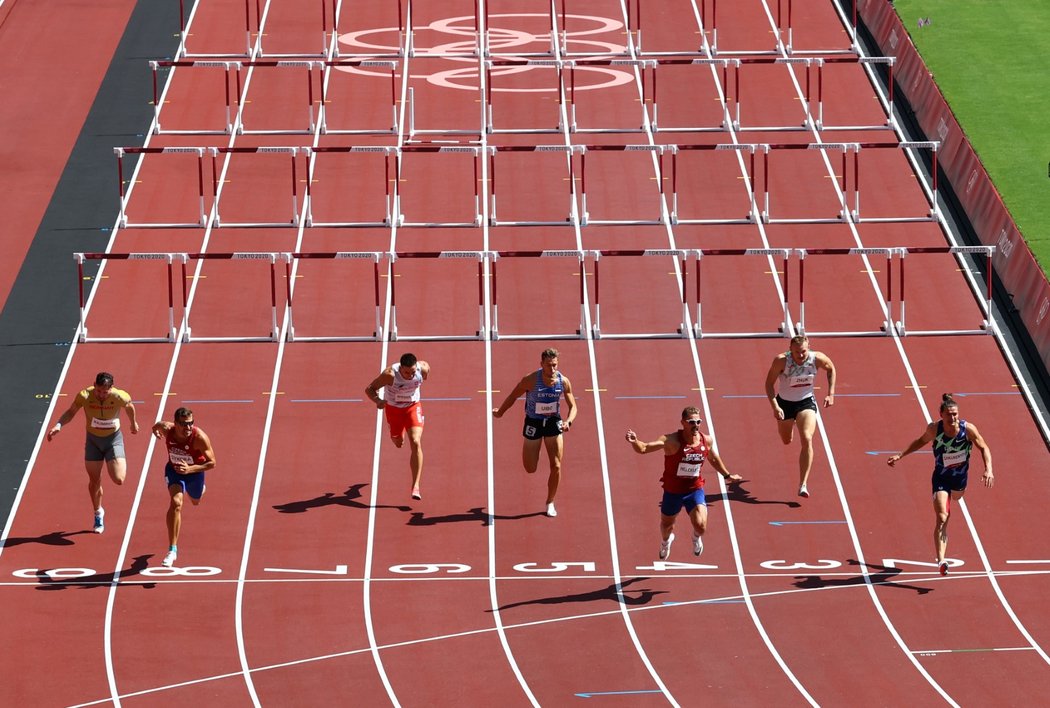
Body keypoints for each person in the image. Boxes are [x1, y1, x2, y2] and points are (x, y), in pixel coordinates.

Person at [887, 393, 993, 576]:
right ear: (941, 414)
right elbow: (920, 441)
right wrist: (900, 454)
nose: (953, 418)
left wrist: (988, 469)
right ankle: (941, 561)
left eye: (955, 414)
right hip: (941, 478)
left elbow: (983, 447)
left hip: (960, 479)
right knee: (943, 517)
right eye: (949, 414)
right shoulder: (935, 429)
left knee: (958, 497)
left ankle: (954, 497)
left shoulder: (967, 429)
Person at [625, 407, 741, 560]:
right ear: (683, 423)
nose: (696, 425)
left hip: (694, 489)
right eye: (692, 422)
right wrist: (635, 441)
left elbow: (713, 458)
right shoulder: (671, 441)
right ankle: (666, 542)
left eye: (698, 421)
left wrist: (727, 475)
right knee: (667, 526)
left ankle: (695, 538)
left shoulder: (706, 440)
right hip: (672, 491)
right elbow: (644, 448)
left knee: (701, 525)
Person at [46, 371, 140, 533]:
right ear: (94, 385)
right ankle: (98, 513)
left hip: (113, 440)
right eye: (99, 391)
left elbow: (130, 407)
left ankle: (114, 460)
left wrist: (133, 423)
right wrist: (58, 425)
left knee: (119, 479)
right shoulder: (84, 395)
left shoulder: (120, 397)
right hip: (93, 441)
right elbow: (71, 412)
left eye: (105, 392)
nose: (102, 395)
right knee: (94, 480)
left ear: (111, 389)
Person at [493, 348, 577, 517]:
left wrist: (568, 421)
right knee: (530, 468)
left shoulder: (563, 381)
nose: (552, 369)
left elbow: (573, 406)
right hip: (534, 422)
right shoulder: (530, 380)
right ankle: (535, 451)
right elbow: (513, 395)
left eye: (555, 365)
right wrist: (500, 412)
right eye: (549, 365)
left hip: (554, 422)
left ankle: (550, 502)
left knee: (557, 465)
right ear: (541, 365)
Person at [765, 334, 836, 498]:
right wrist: (775, 406)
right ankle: (791, 423)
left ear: (808, 348)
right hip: (784, 404)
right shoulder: (781, 361)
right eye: (797, 352)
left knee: (806, 438)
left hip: (806, 402)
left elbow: (831, 368)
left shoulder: (817, 358)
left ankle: (803, 484)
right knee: (786, 440)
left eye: (803, 351)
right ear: (790, 350)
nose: (801, 355)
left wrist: (830, 393)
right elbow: (768, 384)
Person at [152, 408, 216, 568]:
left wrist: (190, 469)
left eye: (190, 424)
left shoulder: (199, 437)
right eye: (183, 424)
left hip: (194, 472)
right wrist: (155, 431)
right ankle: (172, 549)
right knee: (176, 503)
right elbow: (157, 425)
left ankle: (199, 490)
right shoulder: (167, 429)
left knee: (195, 501)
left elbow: (212, 463)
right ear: (175, 423)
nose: (188, 428)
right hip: (174, 472)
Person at [365, 353, 430, 500]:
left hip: (412, 407)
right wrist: (378, 401)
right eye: (407, 372)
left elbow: (424, 377)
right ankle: (396, 435)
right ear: (401, 368)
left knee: (415, 442)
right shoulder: (390, 375)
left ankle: (416, 486)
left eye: (413, 372)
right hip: (393, 410)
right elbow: (369, 389)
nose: (410, 375)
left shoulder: (423, 369)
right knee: (398, 443)